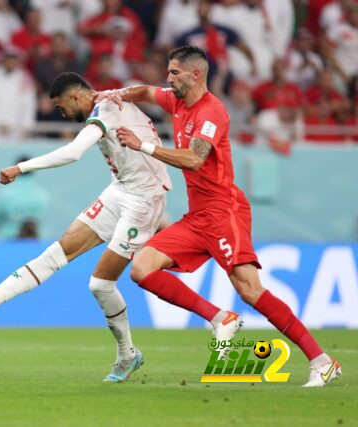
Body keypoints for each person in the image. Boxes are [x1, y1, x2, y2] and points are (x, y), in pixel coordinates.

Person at [0, 71, 238, 382]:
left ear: (76, 96)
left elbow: (74, 152)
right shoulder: (108, 100)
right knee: (56, 253)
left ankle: (132, 353)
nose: (63, 114)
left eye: (63, 107)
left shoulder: (105, 109)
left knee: (100, 285)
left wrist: (20, 167)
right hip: (120, 190)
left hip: (144, 201)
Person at [98, 45, 341, 387]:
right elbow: (146, 92)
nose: (168, 79)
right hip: (198, 216)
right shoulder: (176, 101)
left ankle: (322, 361)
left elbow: (195, 159)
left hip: (224, 212)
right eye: (169, 72)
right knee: (142, 268)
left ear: (195, 74)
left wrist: (144, 146)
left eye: (175, 73)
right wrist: (116, 93)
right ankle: (219, 317)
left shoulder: (213, 112)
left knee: (250, 291)